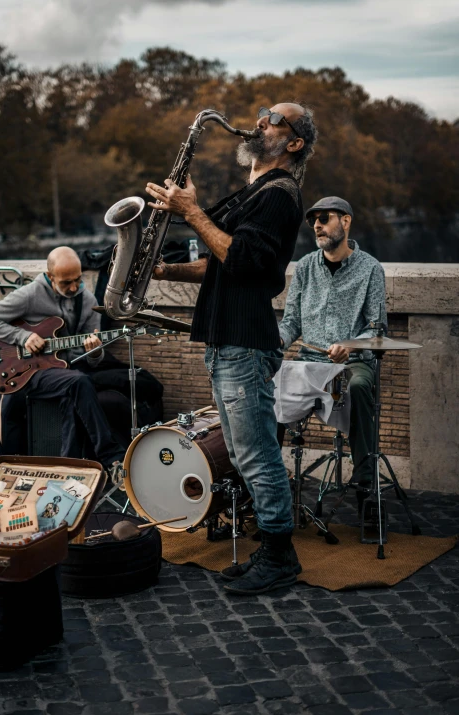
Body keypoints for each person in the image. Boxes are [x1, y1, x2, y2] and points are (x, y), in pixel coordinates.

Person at [148, 103, 318, 595]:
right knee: (244, 455)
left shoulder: (280, 196)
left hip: (244, 343)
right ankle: (270, 548)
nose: (260, 121)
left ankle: (280, 556)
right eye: (262, 115)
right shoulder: (255, 192)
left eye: (274, 119)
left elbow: (240, 259)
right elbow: (218, 260)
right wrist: (162, 271)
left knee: (257, 454)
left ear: (294, 143)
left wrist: (192, 211)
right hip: (228, 341)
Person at [0, 246, 125, 476]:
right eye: (66, 283)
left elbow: (86, 360)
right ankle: (112, 457)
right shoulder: (31, 294)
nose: (73, 287)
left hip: (65, 371)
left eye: (77, 279)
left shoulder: (86, 300)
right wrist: (23, 337)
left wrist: (94, 352)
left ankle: (66, 468)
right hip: (28, 372)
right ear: (50, 276)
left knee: (75, 389)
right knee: (78, 383)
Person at [278, 197, 387, 493]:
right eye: (313, 220)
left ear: (346, 221)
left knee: (359, 387)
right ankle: (268, 483)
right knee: (267, 385)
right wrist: (276, 339)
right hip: (309, 362)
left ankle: (366, 487)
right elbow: (291, 323)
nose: (316, 225)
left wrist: (350, 345)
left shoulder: (371, 269)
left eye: (324, 218)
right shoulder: (304, 267)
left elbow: (377, 329)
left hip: (352, 365)